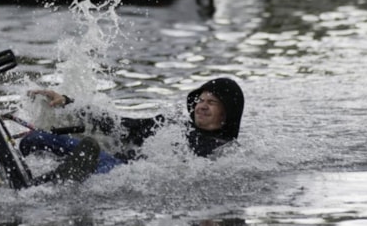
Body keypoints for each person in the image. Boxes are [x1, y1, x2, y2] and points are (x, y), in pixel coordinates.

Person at [21, 77, 245, 183]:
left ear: (227, 114)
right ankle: (15, 161)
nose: (202, 106)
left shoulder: (224, 152)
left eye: (212, 102)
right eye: (201, 100)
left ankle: (42, 183)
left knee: (91, 158)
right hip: (110, 159)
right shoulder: (171, 125)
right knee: (36, 138)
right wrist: (67, 101)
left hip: (120, 172)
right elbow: (121, 125)